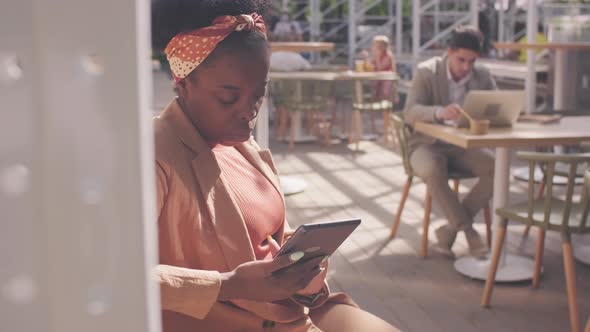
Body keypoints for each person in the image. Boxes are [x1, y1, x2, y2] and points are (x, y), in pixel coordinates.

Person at [151, 1, 400, 331]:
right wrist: (228, 284)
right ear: (183, 85)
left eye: (259, 94)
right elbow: (117, 276)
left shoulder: (243, 146)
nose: (249, 110)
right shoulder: (154, 153)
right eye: (229, 97)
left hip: (296, 310)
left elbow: (270, 239)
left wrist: (306, 279)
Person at [403, 26, 496, 258]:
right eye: (461, 60)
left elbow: (496, 105)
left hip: (463, 146)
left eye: (472, 61)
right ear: (449, 52)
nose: (466, 67)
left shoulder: (482, 75)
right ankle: (469, 232)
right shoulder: (427, 72)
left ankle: (449, 231)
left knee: (497, 168)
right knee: (434, 168)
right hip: (425, 144)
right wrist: (439, 112)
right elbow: (410, 111)